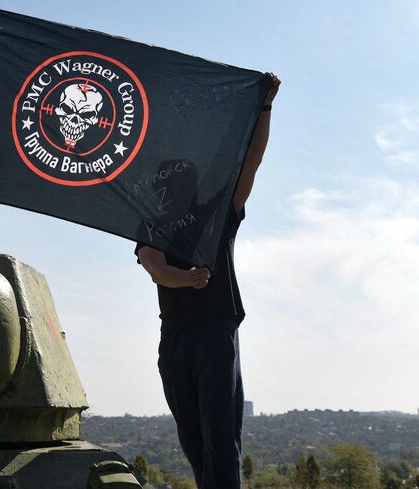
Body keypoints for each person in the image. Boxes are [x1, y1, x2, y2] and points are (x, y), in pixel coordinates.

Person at [135, 73, 281, 489]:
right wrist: (187, 278)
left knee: (220, 440)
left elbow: (250, 161)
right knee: (193, 442)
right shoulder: (151, 223)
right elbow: (154, 267)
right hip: (176, 339)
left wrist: (265, 106)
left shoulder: (218, 213)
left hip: (216, 331)